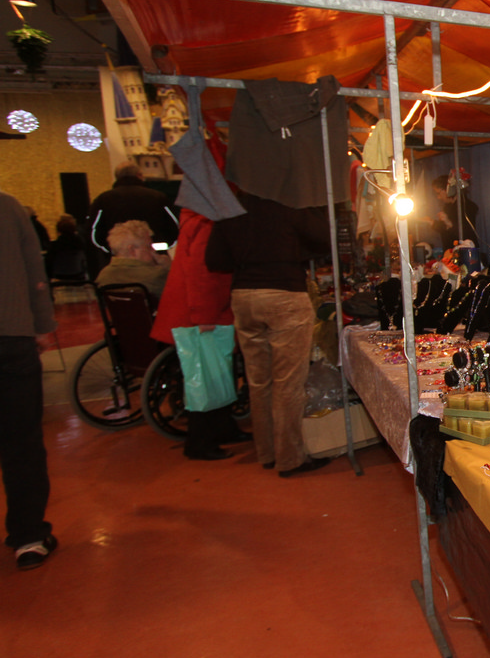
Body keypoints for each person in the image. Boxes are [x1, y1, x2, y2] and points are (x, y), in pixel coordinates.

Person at [206, 190, 332, 477]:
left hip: (244, 296)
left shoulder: (228, 204)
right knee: (288, 383)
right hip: (284, 292)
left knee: (259, 381)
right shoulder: (289, 200)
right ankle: (290, 458)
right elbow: (324, 239)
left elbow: (215, 260)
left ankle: (267, 452)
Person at [151, 205, 249, 461]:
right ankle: (201, 441)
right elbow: (201, 273)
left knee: (212, 376)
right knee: (206, 379)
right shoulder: (206, 224)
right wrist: (204, 315)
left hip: (201, 312)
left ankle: (223, 429)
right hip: (204, 315)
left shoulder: (198, 220)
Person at [0, 188, 58, 569]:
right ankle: (29, 536)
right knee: (21, 442)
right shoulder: (8, 207)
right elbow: (34, 271)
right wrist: (41, 325)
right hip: (11, 336)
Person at [87, 161, 179, 275]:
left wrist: (111, 249)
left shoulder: (103, 200)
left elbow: (93, 232)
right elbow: (174, 227)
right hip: (154, 257)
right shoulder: (158, 197)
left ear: (116, 177)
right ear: (139, 175)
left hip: (118, 260)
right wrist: (160, 246)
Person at [95, 219, 171, 301]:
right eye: (148, 246)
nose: (153, 250)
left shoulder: (103, 276)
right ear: (132, 250)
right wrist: (170, 267)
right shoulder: (157, 275)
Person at [429, 173, 479, 250]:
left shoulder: (468, 207)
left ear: (448, 190)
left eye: (438, 193)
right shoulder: (447, 207)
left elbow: (467, 234)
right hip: (450, 252)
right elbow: (445, 229)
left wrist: (449, 222)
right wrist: (431, 222)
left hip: (466, 252)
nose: (438, 197)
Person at [46, 213, 88, 281]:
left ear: (59, 231)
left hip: (59, 275)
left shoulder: (56, 245)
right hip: (78, 274)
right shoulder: (80, 243)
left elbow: (49, 261)